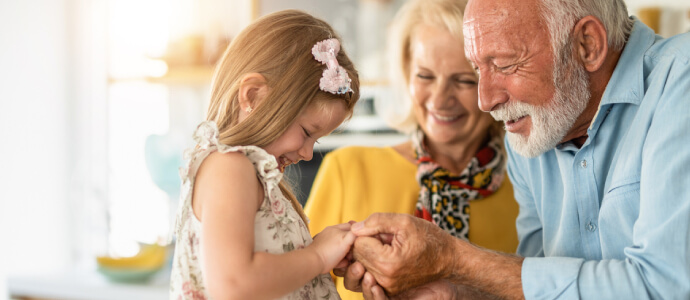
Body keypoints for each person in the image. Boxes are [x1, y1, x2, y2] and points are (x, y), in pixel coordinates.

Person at [339, 0, 690, 298]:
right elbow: (537, 287)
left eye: (505, 65)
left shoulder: (680, 83)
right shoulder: (532, 135)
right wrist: (451, 291)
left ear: (587, 45)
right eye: (477, 70)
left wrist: (453, 258)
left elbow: (665, 286)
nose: (486, 101)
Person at [304, 0, 519, 298]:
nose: (440, 99)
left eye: (464, 80)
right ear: (406, 74)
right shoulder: (347, 168)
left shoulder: (528, 190)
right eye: (425, 76)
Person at [169, 10, 363, 300]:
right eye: (307, 132)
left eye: (317, 141)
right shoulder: (229, 168)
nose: (308, 153)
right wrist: (318, 257)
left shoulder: (248, 174)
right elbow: (234, 284)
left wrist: (318, 254)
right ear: (253, 96)